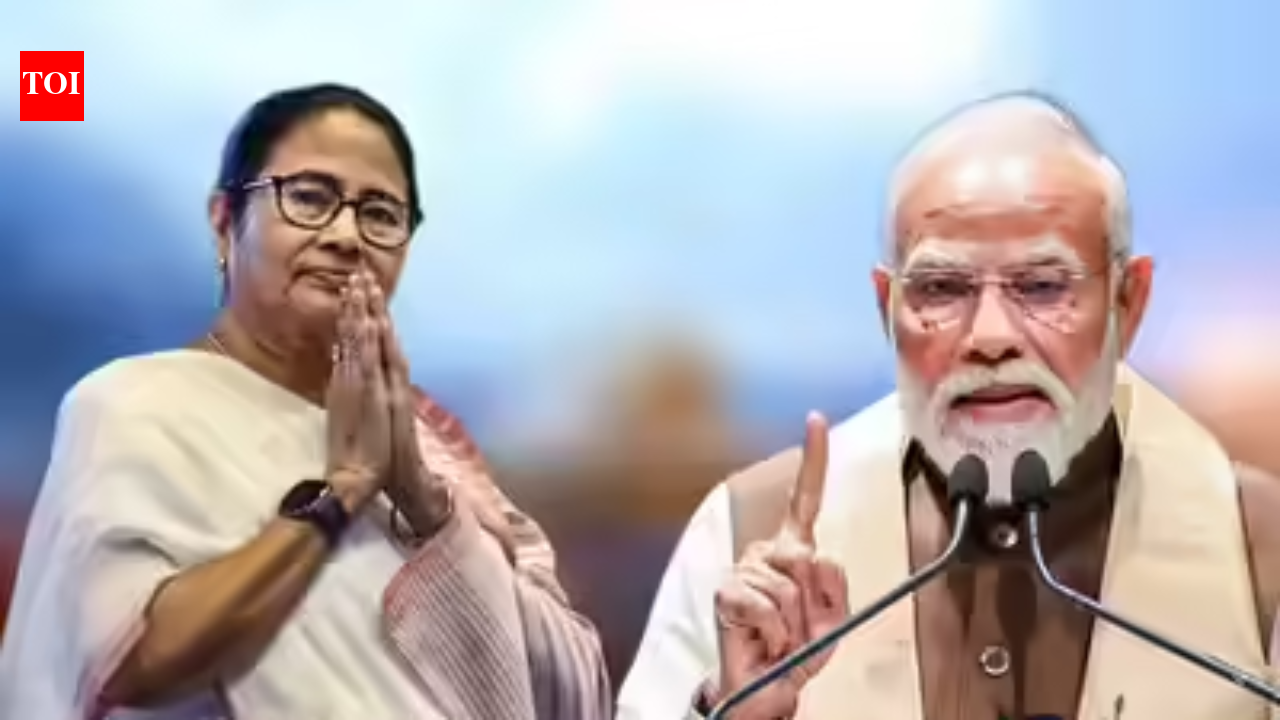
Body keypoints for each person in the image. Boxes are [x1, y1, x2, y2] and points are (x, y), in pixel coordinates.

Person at [617, 91, 1280, 720]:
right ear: (888, 309)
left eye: (1042, 287)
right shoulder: (746, 540)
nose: (990, 337)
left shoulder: (1258, 549)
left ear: (1127, 304)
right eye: (941, 288)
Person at [0, 83, 609, 720]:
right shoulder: (134, 406)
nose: (347, 236)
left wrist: (426, 506)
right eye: (311, 198)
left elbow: (577, 698)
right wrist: (341, 493)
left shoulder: (431, 449)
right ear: (224, 222)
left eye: (380, 214)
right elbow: (132, 660)